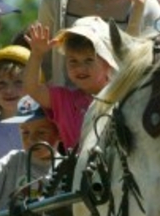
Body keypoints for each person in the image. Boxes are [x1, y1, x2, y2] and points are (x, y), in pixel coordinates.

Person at [24, 16, 117, 150]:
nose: (80, 68)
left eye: (89, 60)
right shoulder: (64, 100)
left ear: (108, 63)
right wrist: (37, 54)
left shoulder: (120, 96)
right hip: (75, 170)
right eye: (73, 61)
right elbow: (32, 88)